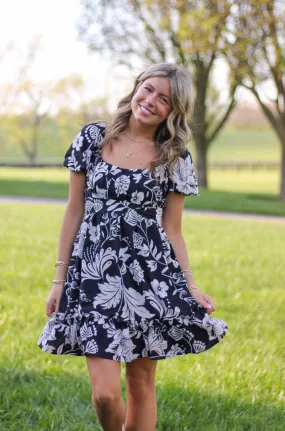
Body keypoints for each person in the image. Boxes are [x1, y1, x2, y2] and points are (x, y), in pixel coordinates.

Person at [38, 63, 228, 431]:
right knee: (106, 394)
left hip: (150, 279)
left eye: (165, 100)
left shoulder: (174, 157)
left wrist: (190, 286)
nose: (151, 101)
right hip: (93, 278)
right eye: (149, 90)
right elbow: (73, 211)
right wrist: (58, 280)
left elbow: (173, 231)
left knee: (141, 385)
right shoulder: (93, 138)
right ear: (136, 87)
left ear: (174, 112)